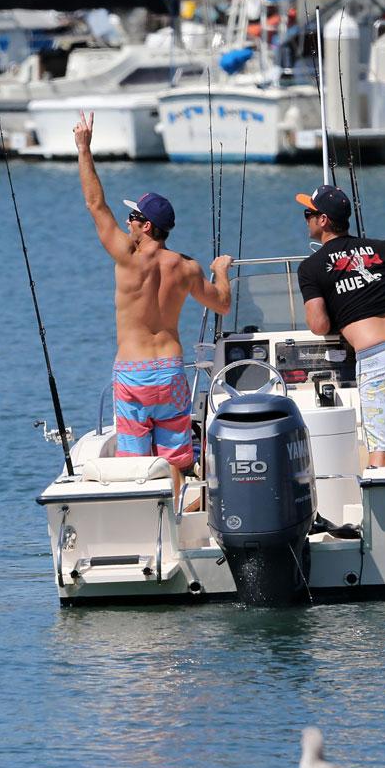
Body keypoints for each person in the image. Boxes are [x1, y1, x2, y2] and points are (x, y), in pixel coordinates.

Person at [74, 111, 233, 498]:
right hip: (169, 371)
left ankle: (151, 528)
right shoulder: (187, 268)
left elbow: (96, 205)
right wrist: (221, 270)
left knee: (137, 461)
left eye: (133, 217)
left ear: (147, 227)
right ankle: (181, 516)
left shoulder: (127, 258)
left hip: (133, 373)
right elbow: (223, 305)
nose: (127, 222)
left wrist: (83, 148)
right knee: (176, 459)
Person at [296, 185, 385, 468]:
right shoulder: (382, 247)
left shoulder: (311, 267)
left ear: (323, 220)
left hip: (378, 359)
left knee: (381, 448)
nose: (306, 219)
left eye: (308, 213)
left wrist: (340, 303)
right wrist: (379, 284)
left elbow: (318, 324)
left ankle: (376, 512)